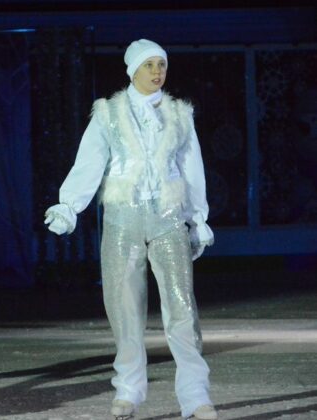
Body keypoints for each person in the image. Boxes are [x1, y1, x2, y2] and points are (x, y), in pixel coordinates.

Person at [44, 39, 218, 420]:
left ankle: (195, 395)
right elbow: (90, 161)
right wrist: (69, 205)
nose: (157, 72)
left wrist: (198, 217)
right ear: (132, 70)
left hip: (168, 217)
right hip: (122, 219)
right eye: (149, 65)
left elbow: (191, 168)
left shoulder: (179, 115)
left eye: (161, 65)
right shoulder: (109, 114)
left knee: (182, 306)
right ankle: (128, 390)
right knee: (124, 308)